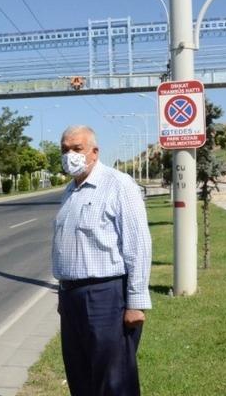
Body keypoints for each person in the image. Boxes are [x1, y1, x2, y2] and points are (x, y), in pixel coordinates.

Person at [53, 125, 152, 396]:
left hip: (105, 296)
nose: (69, 155)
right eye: (65, 150)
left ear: (94, 152)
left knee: (113, 380)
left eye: (77, 149)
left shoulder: (118, 184)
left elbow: (138, 245)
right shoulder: (70, 191)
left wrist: (136, 302)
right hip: (72, 297)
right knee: (80, 376)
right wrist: (64, 297)